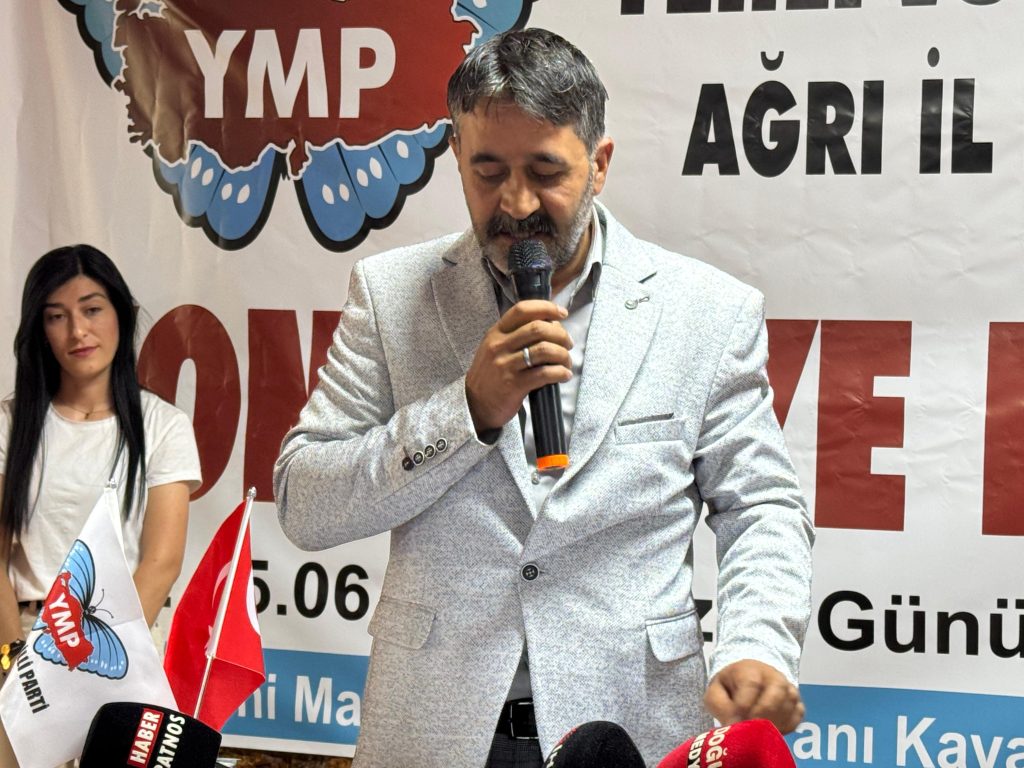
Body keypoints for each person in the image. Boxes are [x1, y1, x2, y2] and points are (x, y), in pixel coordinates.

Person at [274, 28, 814, 768]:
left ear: (600, 164)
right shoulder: (390, 294)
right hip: (433, 732)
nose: (516, 202)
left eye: (545, 171)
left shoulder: (707, 312)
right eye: (488, 171)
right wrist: (467, 410)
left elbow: (763, 507)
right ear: (457, 157)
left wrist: (757, 644)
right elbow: (305, 503)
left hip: (626, 734)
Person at [0, 243, 201, 667]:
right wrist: (13, 655)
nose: (78, 331)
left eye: (92, 310)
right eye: (57, 316)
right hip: (20, 645)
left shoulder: (164, 425)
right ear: (41, 329)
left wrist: (93, 661)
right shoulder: (10, 423)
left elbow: (162, 562)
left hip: (119, 649)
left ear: (121, 314)